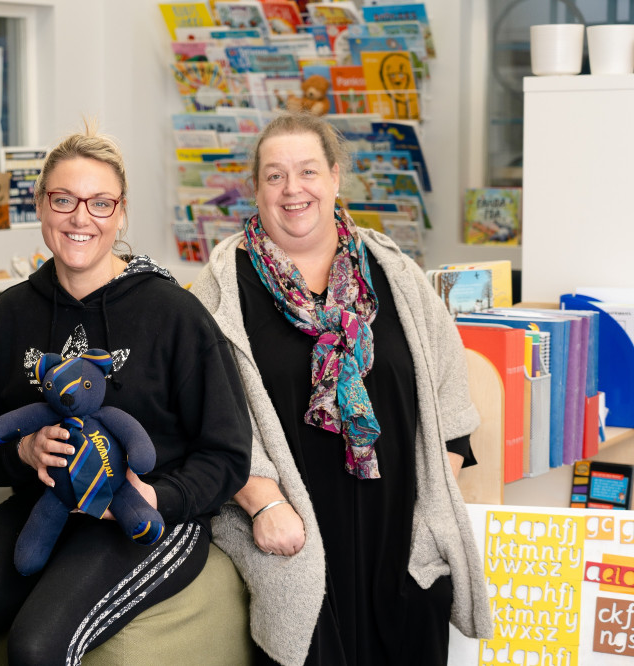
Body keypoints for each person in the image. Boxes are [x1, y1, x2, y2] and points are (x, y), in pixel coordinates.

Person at [0, 125, 251, 665]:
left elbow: (228, 454)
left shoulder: (174, 313)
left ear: (120, 214)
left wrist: (156, 498)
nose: (80, 218)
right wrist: (22, 452)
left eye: (100, 203)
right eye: (64, 199)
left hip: (147, 518)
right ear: (41, 207)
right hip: (40, 507)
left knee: (36, 647)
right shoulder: (12, 311)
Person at [190, 111, 493, 665]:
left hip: (400, 532)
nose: (292, 189)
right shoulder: (219, 291)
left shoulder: (395, 272)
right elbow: (204, 416)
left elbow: (452, 402)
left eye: (307, 171)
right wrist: (262, 507)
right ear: (256, 188)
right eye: (274, 176)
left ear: (334, 177)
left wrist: (431, 511)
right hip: (293, 537)